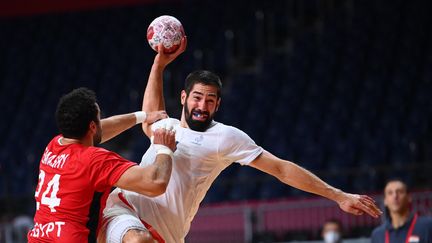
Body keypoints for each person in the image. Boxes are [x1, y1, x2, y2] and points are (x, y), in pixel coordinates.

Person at [98, 38, 382, 243]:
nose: (202, 105)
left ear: (217, 105)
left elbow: (281, 169)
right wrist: (158, 64)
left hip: (166, 232)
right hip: (124, 208)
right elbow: (150, 115)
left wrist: (338, 195)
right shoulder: (167, 127)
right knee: (134, 238)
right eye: (197, 97)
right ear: (184, 98)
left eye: (210, 100)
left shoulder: (226, 137)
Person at [27, 87, 177, 243]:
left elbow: (99, 131)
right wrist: (164, 149)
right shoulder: (95, 160)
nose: (101, 123)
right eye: (99, 119)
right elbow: (155, 183)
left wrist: (143, 116)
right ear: (92, 126)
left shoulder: (53, 146)